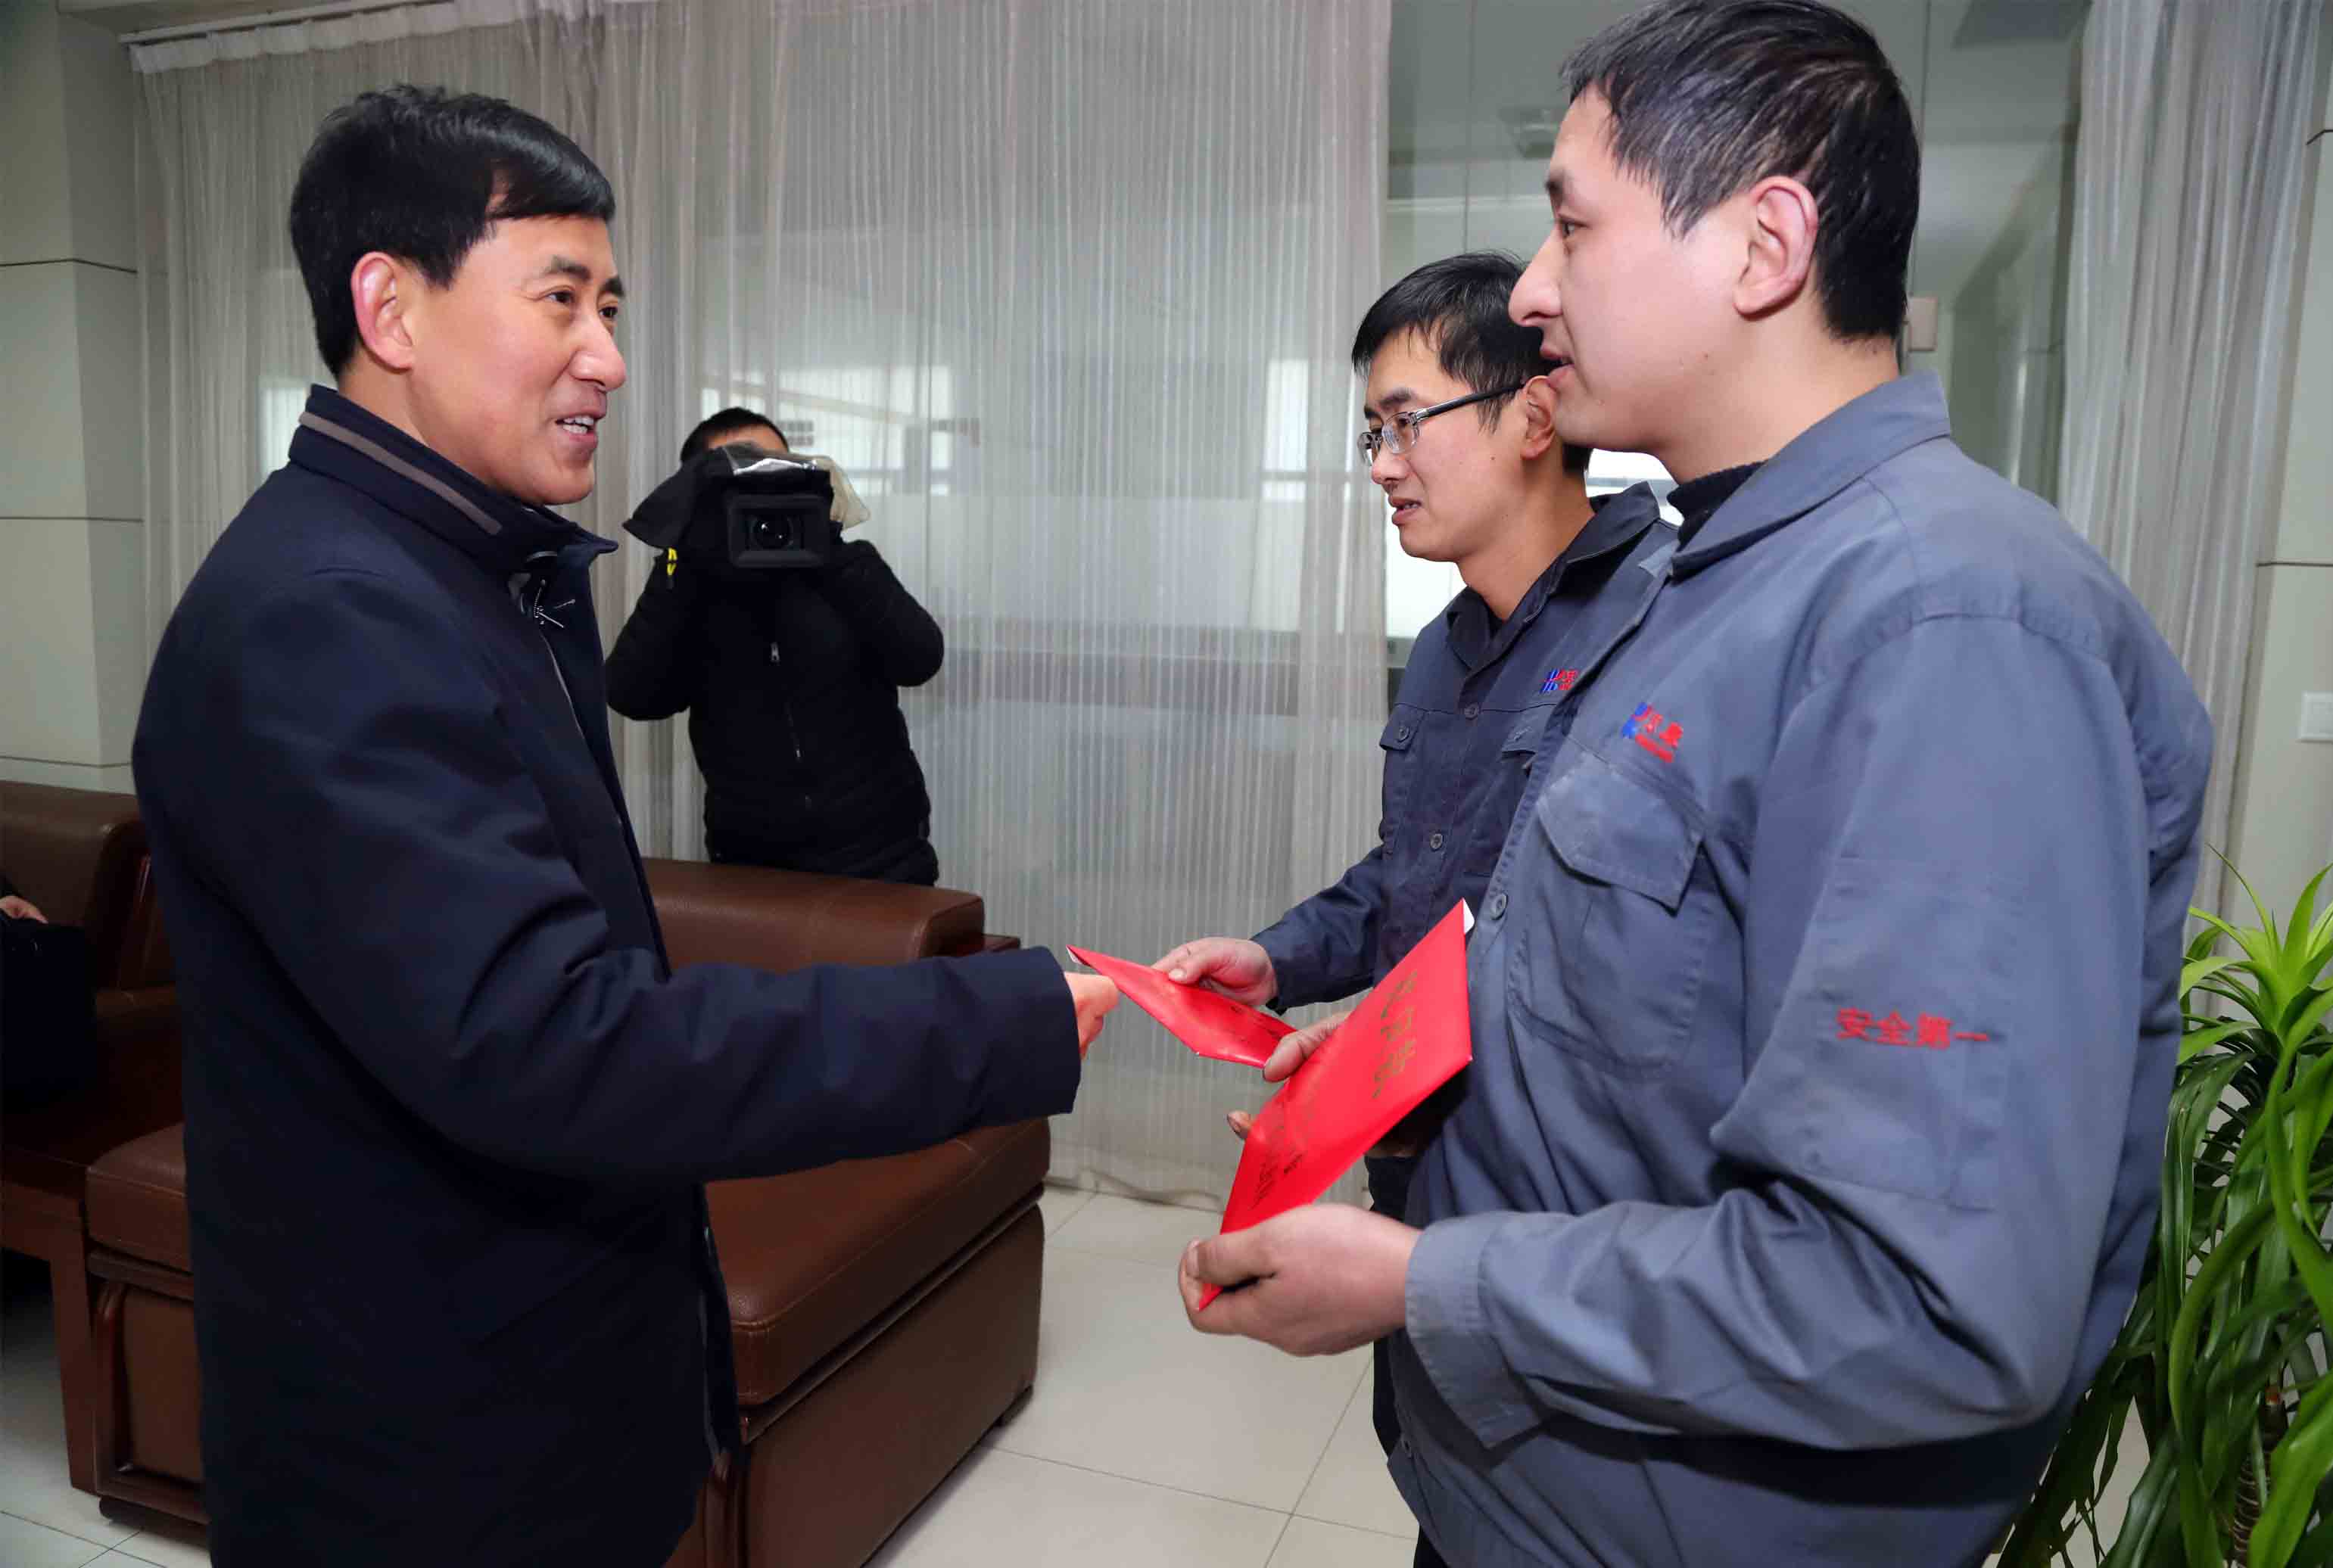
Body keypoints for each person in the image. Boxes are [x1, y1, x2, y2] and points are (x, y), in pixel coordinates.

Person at [1177, 5, 2213, 1567]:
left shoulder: (1943, 624)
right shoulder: (1702, 586)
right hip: (1529, 1498)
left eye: (1572, 226)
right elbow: (1623, 985)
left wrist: (1418, 1280)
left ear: (1762, 244)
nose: (1534, 289)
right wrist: (1378, 1052)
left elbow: (1915, 1297)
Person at [130, 86, 1115, 1566]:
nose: (609, 356)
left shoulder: (472, 571)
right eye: (562, 299)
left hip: (545, 1410)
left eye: (612, 305)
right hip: (435, 1466)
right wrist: (990, 1019)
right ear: (391, 309)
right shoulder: (325, 616)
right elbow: (555, 1042)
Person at [1152, 250, 1667, 1464]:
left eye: (1405, 423)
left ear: (1532, 415)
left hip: (1560, 1217)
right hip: (1420, 1170)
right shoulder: (1445, 643)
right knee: (1432, 1470)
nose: (1381, 466)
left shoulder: (1660, 627)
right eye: (1370, 434)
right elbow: (1416, 874)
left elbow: (1606, 955)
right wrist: (1278, 962)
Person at [606, 407, 946, 885]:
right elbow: (632, 695)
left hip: (884, 857)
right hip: (752, 868)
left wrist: (830, 551)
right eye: (744, 473)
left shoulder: (844, 566)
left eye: (777, 469)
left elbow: (920, 658)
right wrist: (681, 564)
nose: (764, 487)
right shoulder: (692, 588)